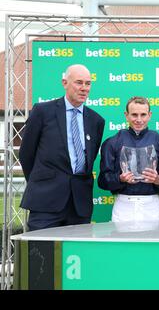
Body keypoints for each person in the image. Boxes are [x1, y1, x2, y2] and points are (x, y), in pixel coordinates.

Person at [19, 64, 105, 231]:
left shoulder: (96, 121)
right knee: (41, 253)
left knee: (76, 255)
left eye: (88, 83)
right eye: (79, 82)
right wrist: (42, 182)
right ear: (65, 83)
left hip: (79, 204)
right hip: (45, 201)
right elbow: (26, 154)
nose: (84, 88)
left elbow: (89, 158)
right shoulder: (42, 111)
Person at [98, 97, 159, 222]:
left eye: (143, 115)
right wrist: (120, 179)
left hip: (151, 206)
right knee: (122, 242)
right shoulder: (112, 142)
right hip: (123, 206)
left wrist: (158, 179)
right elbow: (102, 181)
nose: (139, 119)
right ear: (126, 115)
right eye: (134, 115)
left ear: (149, 115)